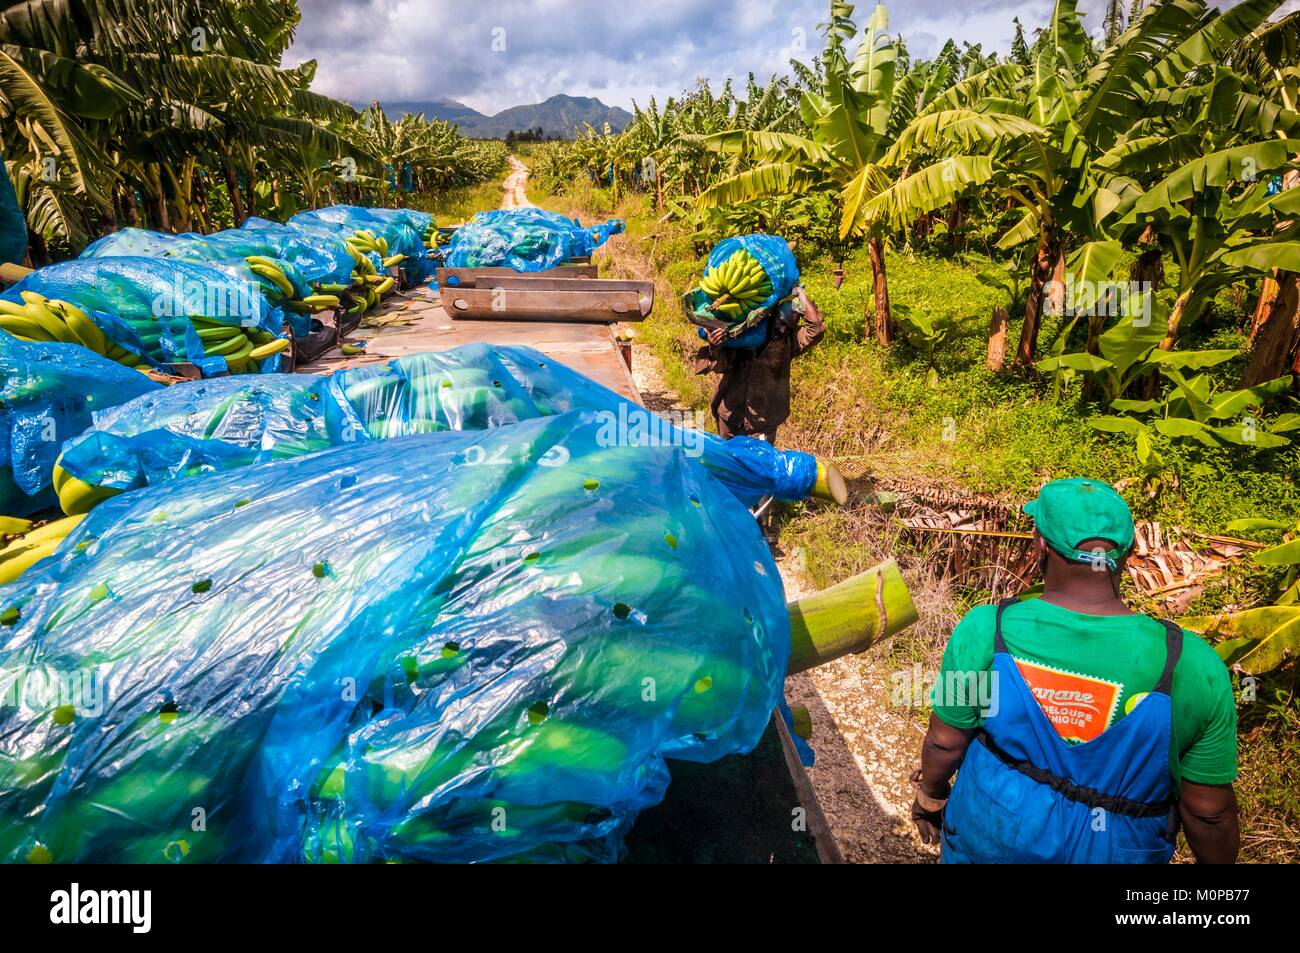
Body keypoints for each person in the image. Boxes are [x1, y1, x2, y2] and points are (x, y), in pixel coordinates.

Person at [910, 478, 1239, 864]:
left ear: (1041, 546)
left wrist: (930, 797)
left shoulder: (985, 629)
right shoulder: (1193, 664)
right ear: (1129, 553)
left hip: (993, 836)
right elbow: (1209, 811)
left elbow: (945, 742)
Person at [693, 285, 824, 445]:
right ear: (770, 317)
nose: (781, 329)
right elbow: (720, 366)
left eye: (788, 326)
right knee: (728, 464)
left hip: (763, 422)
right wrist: (714, 347)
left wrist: (800, 293)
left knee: (757, 466)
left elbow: (816, 328)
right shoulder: (743, 337)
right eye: (780, 322)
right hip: (730, 415)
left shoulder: (790, 343)